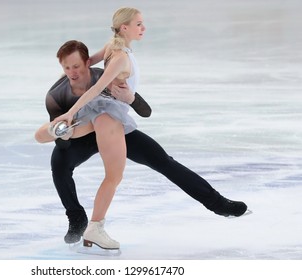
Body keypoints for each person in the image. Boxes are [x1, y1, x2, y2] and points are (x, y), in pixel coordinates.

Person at [35, 18, 248, 248]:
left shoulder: (105, 77)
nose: (72, 72)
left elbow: (145, 111)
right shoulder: (56, 95)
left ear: (87, 62)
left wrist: (130, 98)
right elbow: (62, 141)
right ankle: (76, 217)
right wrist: (69, 133)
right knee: (59, 164)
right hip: (83, 136)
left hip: (114, 131)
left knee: (164, 161)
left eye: (76, 66)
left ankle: (217, 203)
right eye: (66, 68)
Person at [49, 7, 146, 250]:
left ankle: (94, 226)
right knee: (113, 176)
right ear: (124, 28)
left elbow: (88, 62)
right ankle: (94, 227)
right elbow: (95, 87)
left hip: (104, 113)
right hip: (109, 117)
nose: (143, 28)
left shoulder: (113, 47)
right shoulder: (120, 56)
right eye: (139, 24)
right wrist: (70, 107)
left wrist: (74, 72)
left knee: (113, 175)